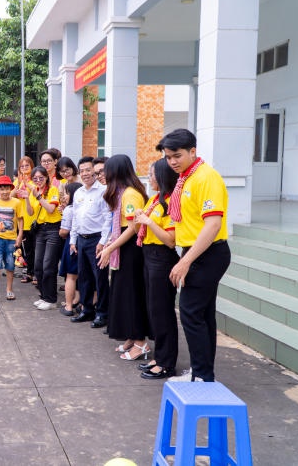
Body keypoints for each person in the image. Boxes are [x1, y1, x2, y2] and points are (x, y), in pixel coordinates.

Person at [159, 128, 230, 383]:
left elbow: (212, 225)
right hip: (194, 251)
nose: (172, 162)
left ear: (192, 151)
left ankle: (200, 375)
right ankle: (203, 373)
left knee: (189, 312)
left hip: (207, 253)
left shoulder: (206, 177)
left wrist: (186, 261)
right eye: (168, 157)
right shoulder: (185, 178)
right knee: (202, 314)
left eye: (177, 155)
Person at [98, 155, 150, 361]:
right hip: (124, 248)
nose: (104, 175)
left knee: (131, 296)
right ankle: (131, 336)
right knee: (123, 295)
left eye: (106, 171)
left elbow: (132, 228)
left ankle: (140, 343)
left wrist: (110, 248)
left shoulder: (130, 195)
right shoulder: (123, 193)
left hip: (131, 252)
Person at [134, 159, 180, 379]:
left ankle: (166, 363)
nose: (149, 178)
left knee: (163, 312)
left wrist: (149, 223)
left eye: (152, 175)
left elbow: (171, 240)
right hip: (149, 255)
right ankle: (160, 356)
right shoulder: (155, 199)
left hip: (162, 257)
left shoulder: (171, 202)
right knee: (154, 310)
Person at [70, 157, 111, 327]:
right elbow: (75, 217)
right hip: (81, 239)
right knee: (84, 277)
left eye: (88, 170)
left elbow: (108, 218)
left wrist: (103, 241)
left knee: (99, 278)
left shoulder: (103, 191)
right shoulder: (78, 192)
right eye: (82, 170)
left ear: (94, 171)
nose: (85, 173)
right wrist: (73, 239)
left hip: (97, 240)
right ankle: (87, 310)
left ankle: (102, 313)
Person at [30, 166, 63, 311]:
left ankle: (51, 299)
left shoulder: (53, 190)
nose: (38, 181)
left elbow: (51, 209)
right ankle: (43, 296)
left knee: (48, 266)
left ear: (47, 178)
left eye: (41, 178)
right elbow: (30, 212)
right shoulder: (34, 192)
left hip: (53, 229)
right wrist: (26, 197)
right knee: (38, 266)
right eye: (35, 178)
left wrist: (39, 197)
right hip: (40, 231)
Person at [0, 175, 24, 303]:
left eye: (7, 188)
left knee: (10, 263)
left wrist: (20, 236)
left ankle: (9, 289)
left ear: (10, 189)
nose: (4, 192)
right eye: (1, 189)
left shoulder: (16, 202)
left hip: (11, 238)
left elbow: (20, 218)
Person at [58, 182, 83, 316]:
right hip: (85, 242)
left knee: (71, 277)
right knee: (81, 275)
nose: (65, 196)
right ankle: (78, 301)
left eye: (67, 193)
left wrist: (60, 232)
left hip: (71, 243)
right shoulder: (83, 207)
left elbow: (64, 231)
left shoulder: (70, 209)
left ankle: (68, 306)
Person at [12, 156, 37, 285]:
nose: (24, 168)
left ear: (32, 167)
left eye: (27, 166)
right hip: (20, 220)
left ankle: (34, 273)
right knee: (26, 250)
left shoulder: (35, 182)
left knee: (34, 249)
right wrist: (18, 184)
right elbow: (10, 195)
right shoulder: (18, 182)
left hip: (32, 220)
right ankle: (29, 272)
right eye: (22, 166)